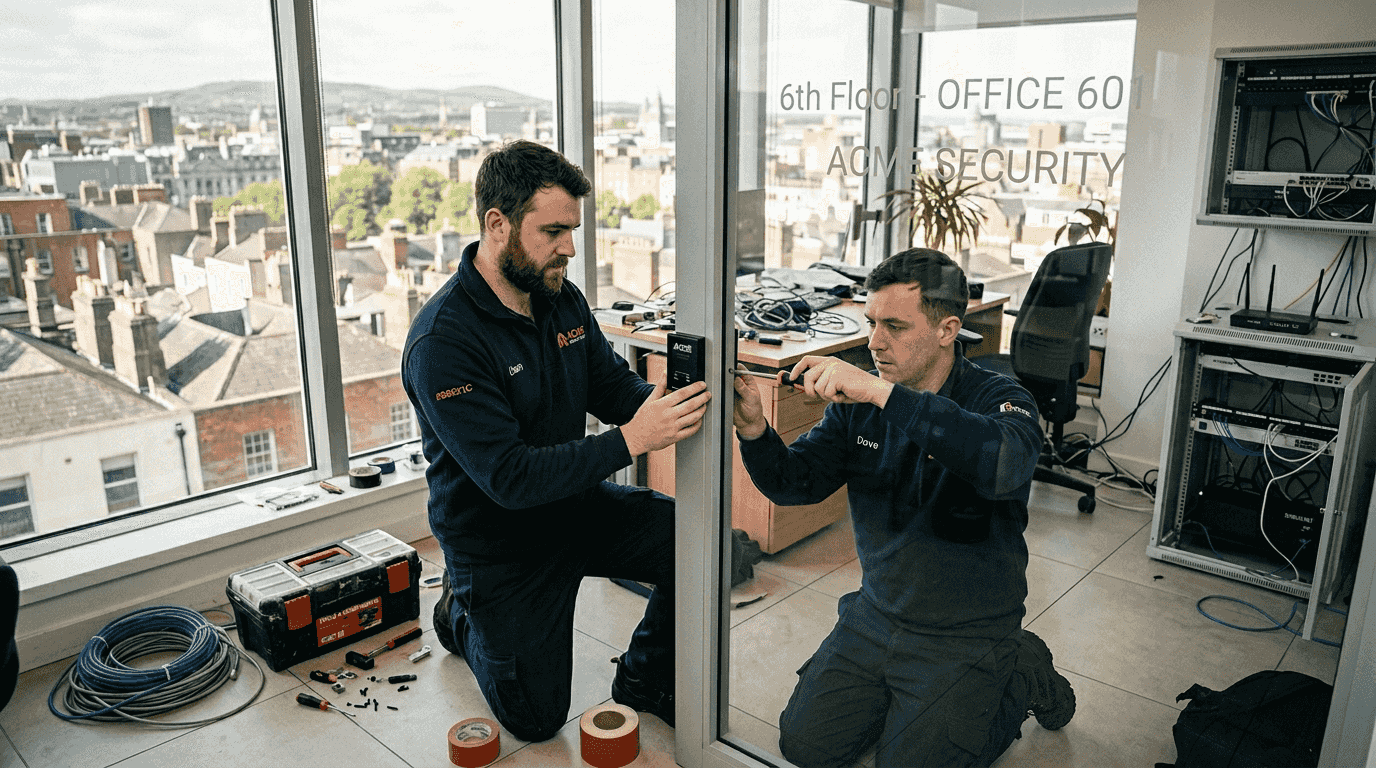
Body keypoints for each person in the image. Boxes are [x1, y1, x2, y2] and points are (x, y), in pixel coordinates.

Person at [402, 140, 709, 741]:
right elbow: (511, 479)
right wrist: (630, 442)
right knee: (536, 721)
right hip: (499, 539)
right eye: (553, 231)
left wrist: (689, 401)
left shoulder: (559, 296)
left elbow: (612, 388)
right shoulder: (443, 342)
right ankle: (460, 614)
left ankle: (644, 679)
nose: (569, 246)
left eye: (572, 229)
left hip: (571, 505)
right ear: (498, 224)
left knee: (693, 540)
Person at [731, 248, 1075, 767]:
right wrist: (755, 429)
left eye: (894, 325)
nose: (874, 343)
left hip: (967, 627)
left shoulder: (998, 397)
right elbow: (794, 483)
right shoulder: (861, 410)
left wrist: (881, 393)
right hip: (879, 611)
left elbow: (1003, 463)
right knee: (805, 747)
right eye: (871, 323)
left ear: (947, 329)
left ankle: (1020, 671)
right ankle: (910, 698)